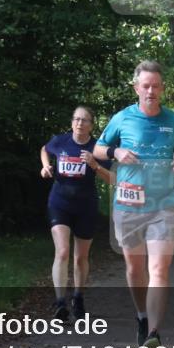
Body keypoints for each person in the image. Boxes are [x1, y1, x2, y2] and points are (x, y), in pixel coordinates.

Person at [94, 61, 174, 348]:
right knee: (135, 269)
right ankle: (142, 316)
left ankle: (154, 334)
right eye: (145, 85)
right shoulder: (122, 118)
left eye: (155, 86)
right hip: (129, 205)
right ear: (136, 88)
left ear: (162, 89)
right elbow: (97, 149)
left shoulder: (172, 120)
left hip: (163, 204)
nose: (151, 90)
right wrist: (115, 151)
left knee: (159, 268)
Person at [40, 106, 112, 322]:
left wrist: (95, 165)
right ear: (72, 122)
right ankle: (60, 303)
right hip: (59, 203)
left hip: (86, 207)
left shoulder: (98, 148)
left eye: (85, 120)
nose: (80, 123)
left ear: (91, 124)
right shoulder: (60, 141)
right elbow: (44, 149)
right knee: (62, 252)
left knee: (80, 257)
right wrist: (45, 166)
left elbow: (113, 179)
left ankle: (78, 298)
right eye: (76, 119)